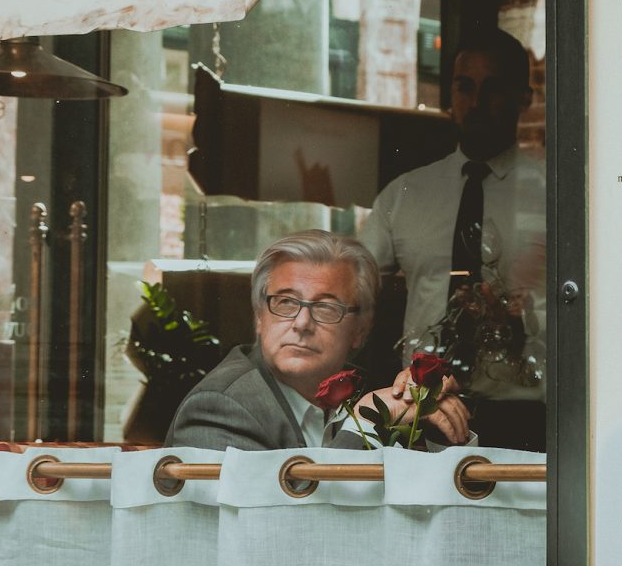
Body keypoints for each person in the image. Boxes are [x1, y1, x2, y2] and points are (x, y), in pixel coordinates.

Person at [360, 28, 546, 452]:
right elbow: (355, 293)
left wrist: (524, 324)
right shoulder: (405, 194)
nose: (476, 102)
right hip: (420, 409)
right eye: (465, 86)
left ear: (525, 99)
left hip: (525, 413)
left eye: (493, 87)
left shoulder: (555, 198)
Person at [165, 229, 470, 451]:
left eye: (326, 307)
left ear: (360, 331)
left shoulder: (356, 387)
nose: (301, 323)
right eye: (285, 302)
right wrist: (365, 424)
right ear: (260, 317)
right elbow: (293, 530)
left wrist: (433, 415)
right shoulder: (219, 407)